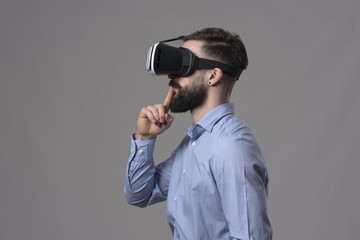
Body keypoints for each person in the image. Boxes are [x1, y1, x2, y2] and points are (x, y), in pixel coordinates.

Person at [124, 27, 272, 240]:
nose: (172, 76)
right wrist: (145, 137)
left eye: (184, 64)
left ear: (213, 76)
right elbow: (139, 194)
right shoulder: (193, 144)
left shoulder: (231, 145)